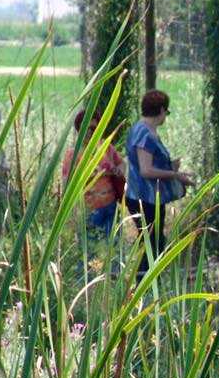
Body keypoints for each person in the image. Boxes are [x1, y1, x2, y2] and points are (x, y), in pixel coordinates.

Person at [125, 89, 195, 279]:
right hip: (143, 197)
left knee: (156, 242)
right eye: (167, 112)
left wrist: (171, 166)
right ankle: (141, 286)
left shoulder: (144, 130)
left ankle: (149, 284)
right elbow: (146, 170)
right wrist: (175, 175)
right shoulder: (145, 135)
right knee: (151, 245)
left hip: (150, 197)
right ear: (162, 110)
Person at [62, 109, 127, 277]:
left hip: (110, 206)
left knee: (114, 246)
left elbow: (122, 164)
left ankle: (113, 283)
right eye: (88, 128)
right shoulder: (73, 154)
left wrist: (118, 171)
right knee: (88, 252)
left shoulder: (106, 147)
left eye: (95, 128)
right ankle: (86, 286)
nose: (92, 132)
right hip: (89, 210)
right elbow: (66, 183)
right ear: (79, 129)